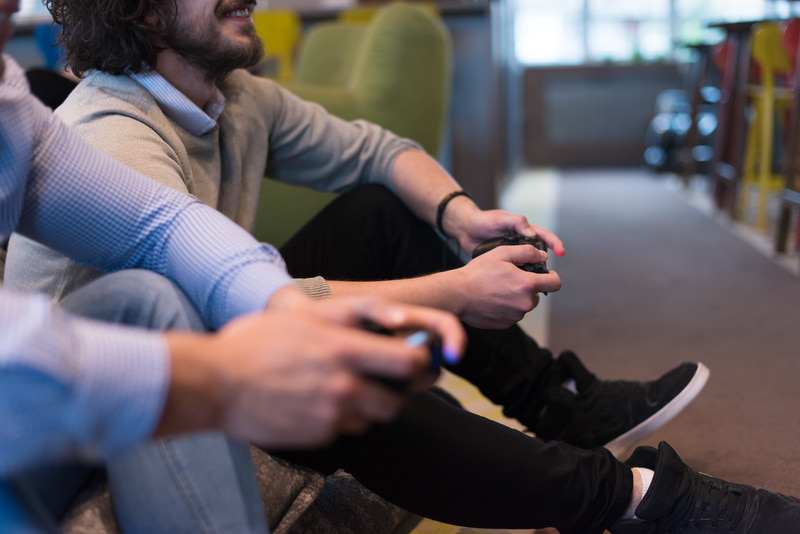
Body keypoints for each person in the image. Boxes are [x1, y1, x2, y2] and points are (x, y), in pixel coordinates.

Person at [3, 11, 800, 534]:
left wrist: (459, 216)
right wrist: (451, 294)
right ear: (141, 12)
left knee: (377, 217)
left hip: (185, 324)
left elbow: (368, 155)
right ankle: (627, 499)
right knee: (319, 360)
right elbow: (187, 306)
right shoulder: (114, 131)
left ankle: (562, 402)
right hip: (86, 402)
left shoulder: (231, 99)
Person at [0, 6, 465, 530]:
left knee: (146, 300)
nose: (15, 4)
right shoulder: (111, 123)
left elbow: (163, 223)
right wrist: (220, 376)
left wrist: (288, 308)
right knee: (151, 303)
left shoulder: (9, 103)